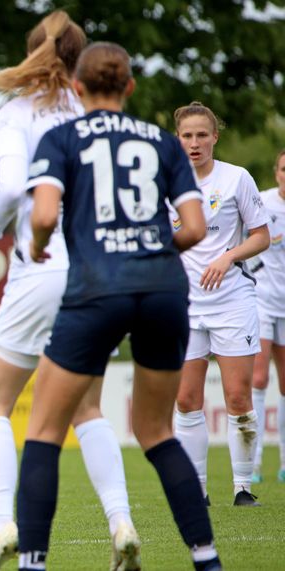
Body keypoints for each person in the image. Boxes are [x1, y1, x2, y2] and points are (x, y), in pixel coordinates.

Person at [17, 42, 221, 570]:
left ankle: (33, 564)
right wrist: (150, 248)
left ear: (77, 89)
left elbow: (42, 217)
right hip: (164, 290)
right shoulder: (162, 141)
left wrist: (39, 247)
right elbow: (195, 228)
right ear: (129, 88)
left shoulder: (60, 137)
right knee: (156, 432)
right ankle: (207, 559)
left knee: (43, 430)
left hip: (95, 289)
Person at [0, 11, 134, 570]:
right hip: (100, 273)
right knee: (88, 409)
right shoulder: (96, 113)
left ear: (33, 51)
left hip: (41, 267)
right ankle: (121, 522)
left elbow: (15, 185)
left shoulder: (16, 113)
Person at [171, 102, 270, 507]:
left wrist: (228, 256)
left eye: (201, 135)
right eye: (186, 136)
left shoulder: (236, 179)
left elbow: (261, 236)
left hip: (232, 299)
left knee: (237, 397)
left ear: (215, 137)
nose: (194, 143)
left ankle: (242, 487)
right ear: (178, 139)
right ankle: (196, 491)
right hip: (184, 303)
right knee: (186, 399)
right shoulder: (165, 181)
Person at [250, 149, 285, 483]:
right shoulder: (262, 202)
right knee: (258, 378)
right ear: (276, 173)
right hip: (262, 300)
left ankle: (284, 461)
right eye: (284, 169)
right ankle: (255, 462)